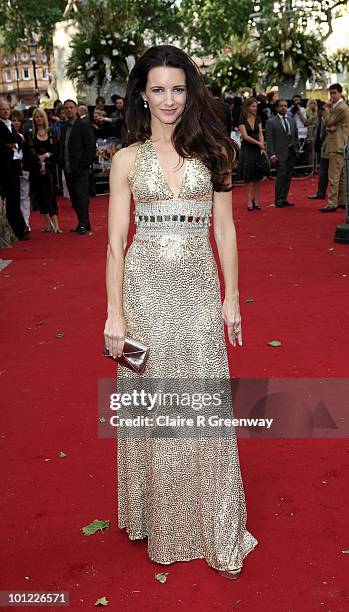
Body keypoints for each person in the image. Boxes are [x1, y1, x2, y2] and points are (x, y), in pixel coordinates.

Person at [104, 45, 258, 579]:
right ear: (142, 96)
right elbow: (116, 242)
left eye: (178, 89)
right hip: (144, 296)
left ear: (190, 92)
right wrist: (114, 314)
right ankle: (160, 515)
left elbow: (225, 230)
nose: (169, 100)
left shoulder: (216, 152)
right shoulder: (125, 160)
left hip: (196, 294)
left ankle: (215, 524)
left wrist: (231, 297)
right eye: (158, 89)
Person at [59, 99, 96, 234]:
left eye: (71, 107)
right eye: (66, 108)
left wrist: (84, 164)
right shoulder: (64, 127)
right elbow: (63, 146)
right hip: (68, 168)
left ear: (76, 109)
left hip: (80, 169)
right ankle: (81, 223)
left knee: (81, 197)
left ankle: (85, 224)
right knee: (74, 198)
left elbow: (90, 146)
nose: (68, 110)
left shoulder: (83, 125)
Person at [28, 109, 62, 233]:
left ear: (45, 118)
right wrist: (39, 160)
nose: (38, 119)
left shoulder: (52, 132)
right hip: (37, 169)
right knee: (41, 195)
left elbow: (56, 149)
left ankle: (56, 225)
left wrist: (46, 156)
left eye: (41, 117)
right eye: (36, 117)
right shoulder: (31, 134)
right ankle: (47, 223)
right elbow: (31, 150)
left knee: (51, 195)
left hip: (51, 169)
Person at [0, 99, 29, 240]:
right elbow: (8, 138)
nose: (6, 111)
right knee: (11, 197)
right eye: (3, 109)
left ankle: (19, 228)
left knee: (15, 197)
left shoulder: (9, 124)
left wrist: (15, 142)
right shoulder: (1, 125)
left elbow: (14, 141)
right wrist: (18, 138)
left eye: (7, 109)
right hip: (5, 166)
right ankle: (19, 228)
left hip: (15, 165)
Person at [319, 83, 349, 212]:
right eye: (330, 93)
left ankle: (332, 203)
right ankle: (342, 201)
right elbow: (329, 125)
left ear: (340, 93)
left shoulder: (340, 108)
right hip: (341, 144)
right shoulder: (340, 107)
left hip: (337, 145)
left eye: (334, 93)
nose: (332, 96)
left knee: (334, 176)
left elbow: (329, 122)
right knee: (341, 176)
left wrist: (326, 109)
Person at [266, 99, 298, 207]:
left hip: (291, 152)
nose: (283, 107)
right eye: (281, 106)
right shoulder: (271, 121)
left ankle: (284, 198)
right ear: (277, 108)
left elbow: (295, 136)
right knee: (281, 176)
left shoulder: (292, 121)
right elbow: (269, 139)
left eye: (285, 105)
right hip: (279, 153)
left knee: (288, 177)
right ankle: (278, 199)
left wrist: (296, 149)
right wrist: (272, 154)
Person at [238, 97, 267, 210]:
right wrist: (259, 143)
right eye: (253, 106)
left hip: (257, 149)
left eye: (256, 106)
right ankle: (249, 200)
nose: (255, 108)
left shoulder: (258, 118)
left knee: (257, 177)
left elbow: (260, 133)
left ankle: (256, 199)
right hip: (247, 149)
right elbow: (245, 136)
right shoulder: (241, 119)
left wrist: (262, 145)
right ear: (248, 107)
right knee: (248, 177)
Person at [11, 110, 31, 230]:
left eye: (18, 120)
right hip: (11, 169)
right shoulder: (5, 136)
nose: (16, 123)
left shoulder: (26, 135)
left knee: (24, 196)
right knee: (13, 197)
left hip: (24, 169)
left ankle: (26, 223)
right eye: (14, 120)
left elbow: (29, 152)